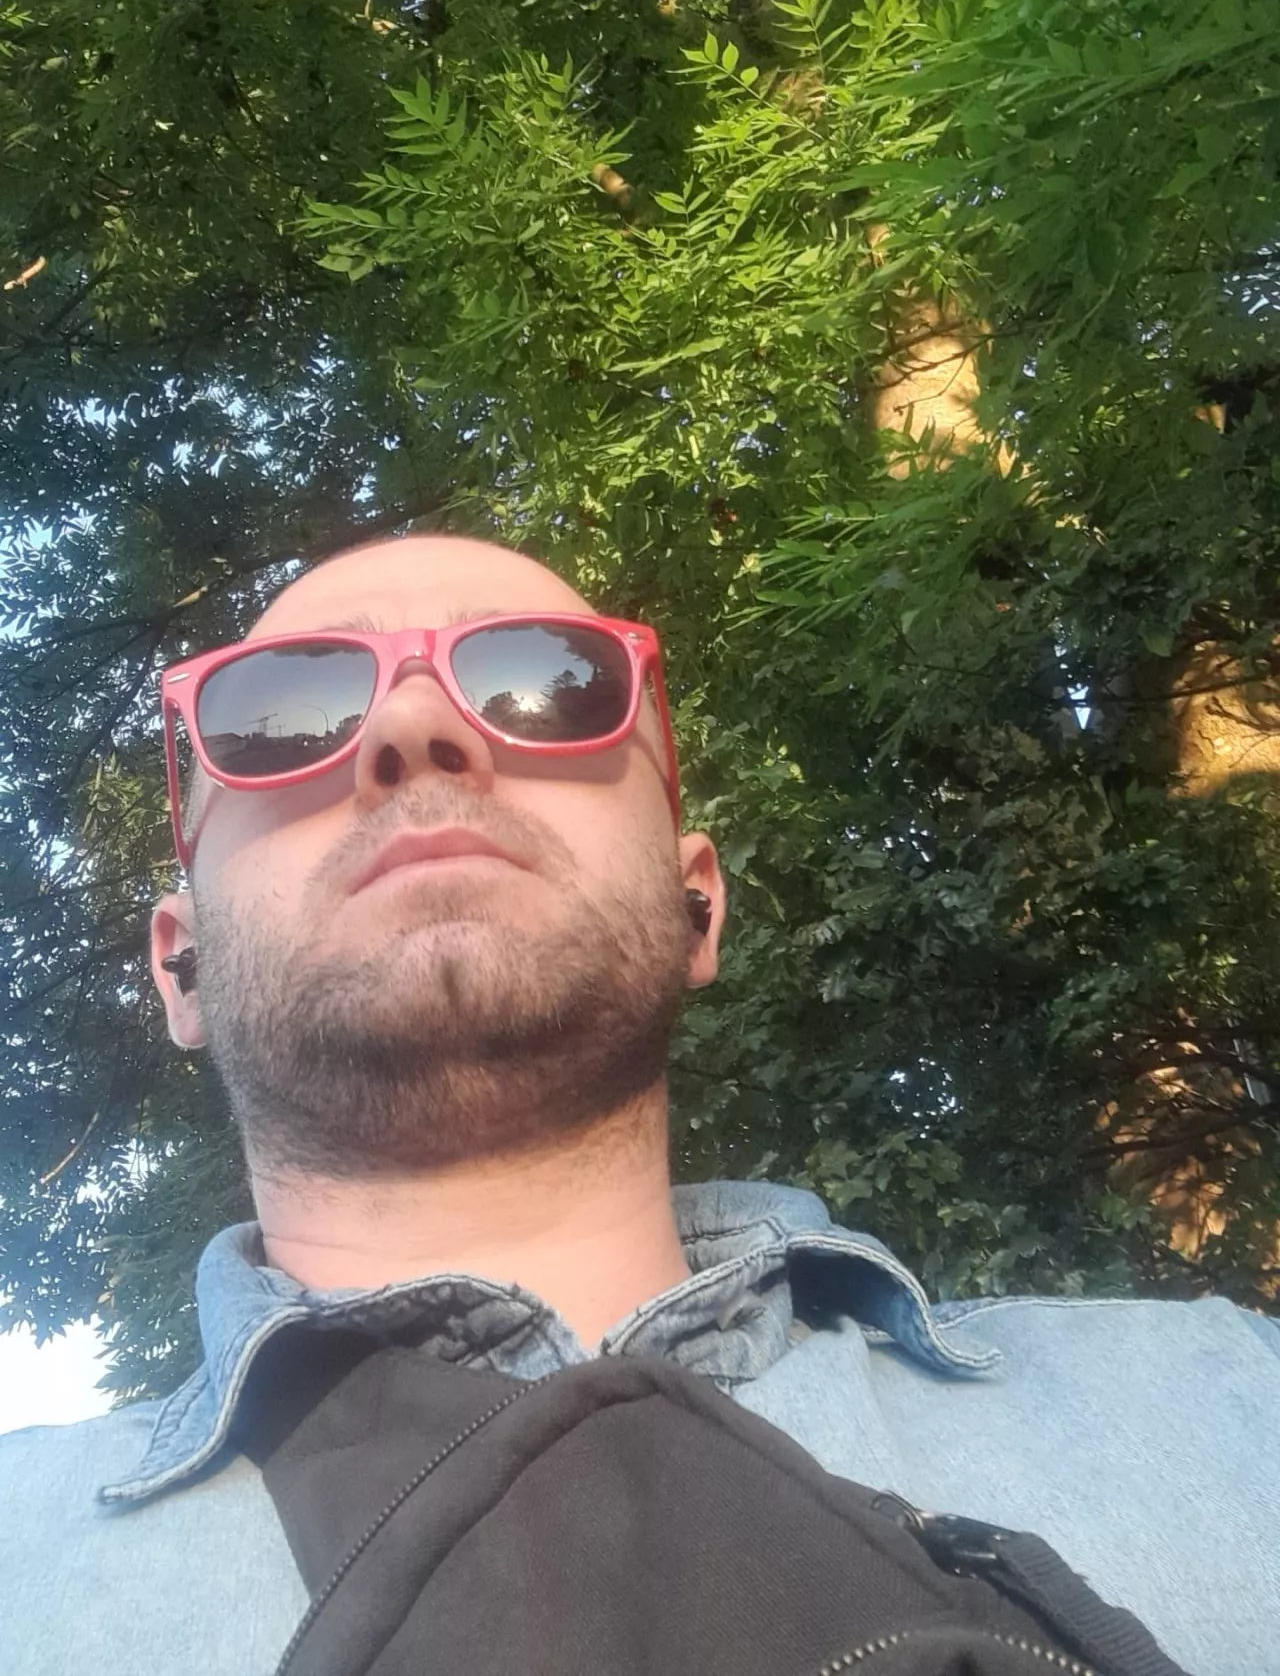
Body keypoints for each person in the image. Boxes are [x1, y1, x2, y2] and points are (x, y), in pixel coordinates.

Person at [1, 532, 1277, 1676]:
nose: (414, 730)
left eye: (541, 683)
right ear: (179, 964)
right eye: (281, 715)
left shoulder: (1225, 1400)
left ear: (695, 905)